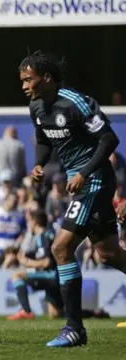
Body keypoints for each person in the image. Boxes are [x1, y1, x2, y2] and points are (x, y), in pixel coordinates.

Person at [20, 50, 126, 347]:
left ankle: (74, 328)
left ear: (47, 78)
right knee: (108, 254)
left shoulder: (76, 102)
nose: (25, 86)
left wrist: (83, 172)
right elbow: (43, 142)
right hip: (79, 183)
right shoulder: (36, 108)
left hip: (94, 180)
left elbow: (109, 139)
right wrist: (39, 164)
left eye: (29, 80)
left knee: (61, 247)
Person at [7, 210, 108, 321]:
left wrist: (27, 263)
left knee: (16, 275)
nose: (28, 224)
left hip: (51, 276)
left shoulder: (43, 237)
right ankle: (95, 313)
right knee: (55, 314)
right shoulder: (46, 235)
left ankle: (25, 311)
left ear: (34, 222)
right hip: (55, 277)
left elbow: (46, 262)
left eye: (29, 221)